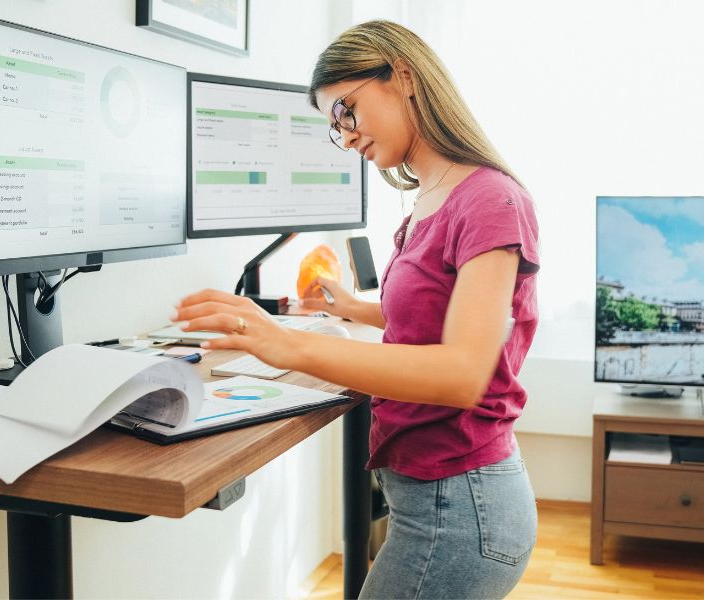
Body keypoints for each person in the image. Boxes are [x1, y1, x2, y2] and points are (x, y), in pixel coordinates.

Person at [171, 20, 540, 600]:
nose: (345, 136)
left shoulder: (491, 200)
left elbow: (463, 373)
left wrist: (288, 344)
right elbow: (431, 322)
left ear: (405, 76)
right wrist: (354, 309)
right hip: (435, 496)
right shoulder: (430, 199)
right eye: (332, 127)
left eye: (346, 111)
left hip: (461, 506)